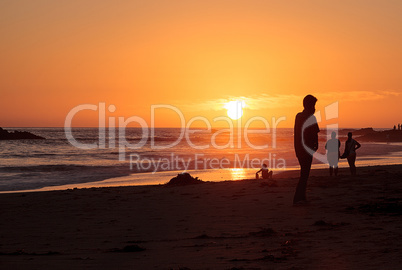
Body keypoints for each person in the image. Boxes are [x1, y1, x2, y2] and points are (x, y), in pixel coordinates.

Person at [293, 94, 319, 204]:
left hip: (299, 149)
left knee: (303, 173)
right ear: (310, 106)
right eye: (314, 106)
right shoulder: (311, 117)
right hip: (307, 149)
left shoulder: (298, 116)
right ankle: (298, 198)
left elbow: (296, 134)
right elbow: (315, 134)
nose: (315, 108)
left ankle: (301, 197)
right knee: (305, 174)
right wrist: (315, 146)